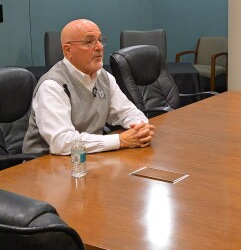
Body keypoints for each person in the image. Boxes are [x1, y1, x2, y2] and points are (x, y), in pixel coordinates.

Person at [23, 18, 155, 155]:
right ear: (68, 50)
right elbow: (60, 142)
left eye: (99, 40)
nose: (99, 47)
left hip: (88, 158)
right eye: (89, 42)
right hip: (45, 165)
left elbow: (126, 111)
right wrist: (120, 140)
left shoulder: (103, 76)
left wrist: (141, 127)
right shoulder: (52, 85)